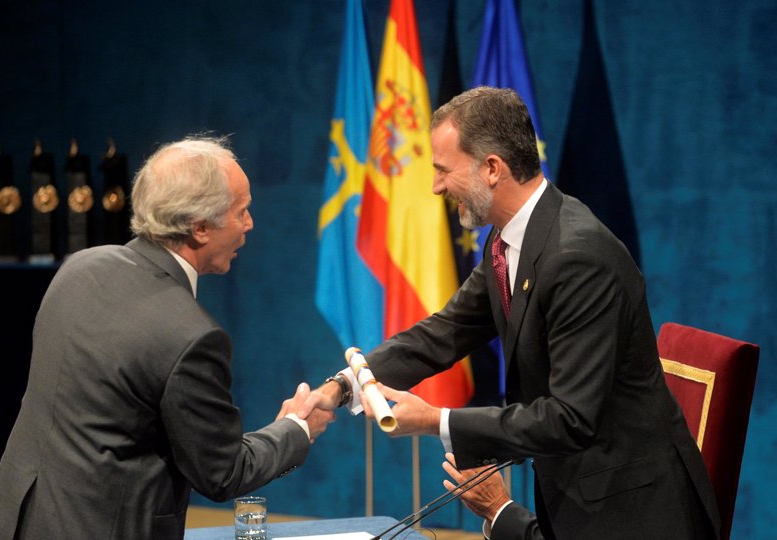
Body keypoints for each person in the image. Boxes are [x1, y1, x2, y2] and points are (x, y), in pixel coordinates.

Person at [300, 87, 720, 539]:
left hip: (632, 513)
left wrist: (434, 420)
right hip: (577, 496)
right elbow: (446, 332)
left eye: (443, 170)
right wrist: (344, 387)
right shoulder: (507, 240)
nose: (435, 186)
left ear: (492, 168)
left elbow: (569, 419)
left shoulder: (578, 257)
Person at [0, 136, 334, 540]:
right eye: (242, 212)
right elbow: (223, 472)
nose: (250, 224)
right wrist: (296, 427)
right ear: (200, 228)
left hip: (18, 523)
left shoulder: (77, 268)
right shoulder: (191, 336)